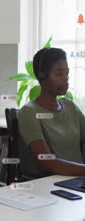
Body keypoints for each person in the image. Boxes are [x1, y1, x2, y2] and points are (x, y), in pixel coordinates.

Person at [18, 47, 85, 177]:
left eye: (67, 73)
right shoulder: (29, 112)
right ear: (42, 77)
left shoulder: (70, 106)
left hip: (77, 182)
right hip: (50, 186)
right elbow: (47, 162)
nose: (66, 78)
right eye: (59, 74)